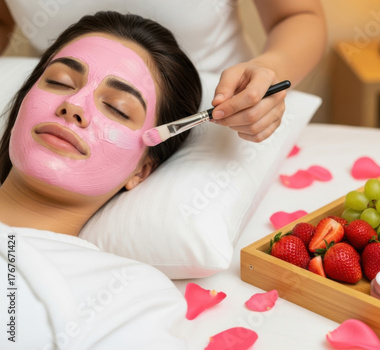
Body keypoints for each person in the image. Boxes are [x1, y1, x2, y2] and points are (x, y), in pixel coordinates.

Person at [0, 11, 202, 348]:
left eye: (118, 109)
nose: (72, 105)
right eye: (60, 82)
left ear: (141, 170)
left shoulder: (126, 292)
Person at [0, 0, 327, 143]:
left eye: (116, 107)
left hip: (218, 121)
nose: (75, 107)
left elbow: (297, 14)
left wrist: (268, 70)